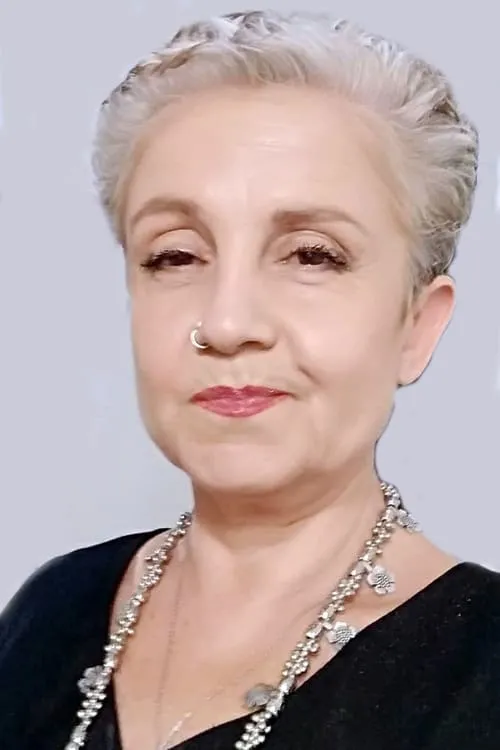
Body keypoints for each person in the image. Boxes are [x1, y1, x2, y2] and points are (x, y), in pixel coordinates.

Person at [1, 9, 499, 750]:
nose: (228, 322)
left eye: (311, 255)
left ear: (416, 326)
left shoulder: (479, 671)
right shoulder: (52, 612)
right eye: (175, 256)